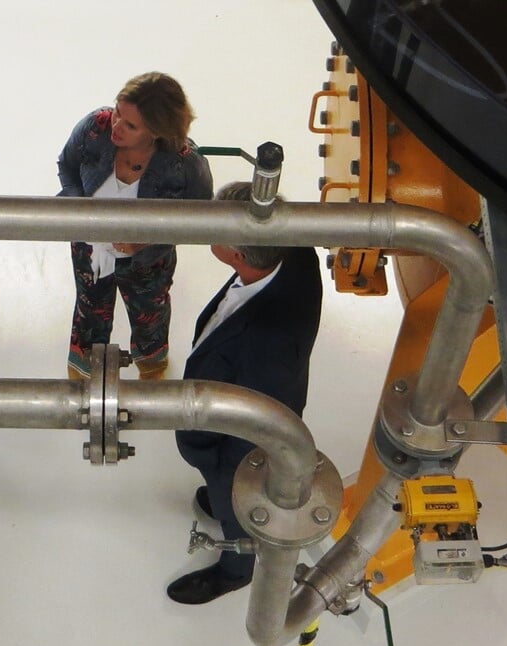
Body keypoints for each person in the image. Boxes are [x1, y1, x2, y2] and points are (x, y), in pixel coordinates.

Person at [170, 182, 323, 605]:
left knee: (239, 501)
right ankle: (221, 500)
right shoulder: (293, 252)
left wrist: (220, 466)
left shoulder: (266, 343)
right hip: (247, 396)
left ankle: (235, 568)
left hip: (239, 448)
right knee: (223, 493)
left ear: (237, 255)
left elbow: (251, 427)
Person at [56, 73, 213, 381]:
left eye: (130, 125)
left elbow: (200, 221)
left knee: (149, 318)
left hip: (148, 264)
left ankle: (151, 367)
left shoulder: (186, 165)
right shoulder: (95, 128)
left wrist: (146, 244)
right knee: (89, 308)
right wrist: (79, 212)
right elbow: (67, 167)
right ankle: (84, 367)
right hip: (89, 251)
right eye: (117, 112)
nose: (115, 125)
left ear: (157, 130)